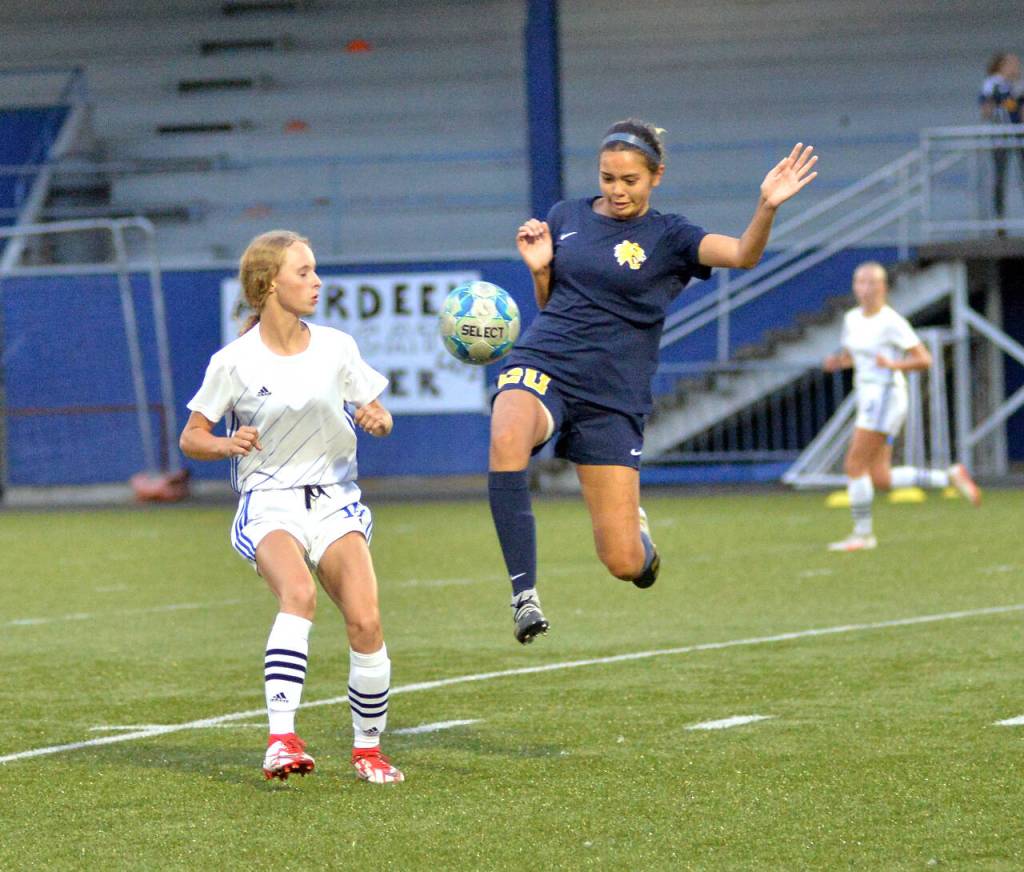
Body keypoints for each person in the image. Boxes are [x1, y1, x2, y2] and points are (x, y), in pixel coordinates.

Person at [489, 118, 818, 644]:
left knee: (624, 562)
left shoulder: (671, 237)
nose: (617, 190)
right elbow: (552, 305)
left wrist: (767, 206)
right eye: (607, 178)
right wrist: (540, 269)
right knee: (507, 433)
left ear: (656, 176)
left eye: (630, 180)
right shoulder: (566, 216)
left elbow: (742, 254)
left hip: (612, 396)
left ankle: (639, 538)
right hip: (546, 360)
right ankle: (524, 596)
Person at [179, 229, 404, 784]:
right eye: (303, 272)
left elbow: (377, 412)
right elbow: (192, 436)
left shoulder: (337, 347)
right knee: (298, 594)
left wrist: (378, 419)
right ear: (269, 283)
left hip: (334, 501)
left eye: (315, 270)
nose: (317, 281)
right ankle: (281, 741)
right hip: (269, 503)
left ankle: (368, 751)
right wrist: (225, 444)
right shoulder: (233, 362)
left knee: (367, 622)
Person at [823, 262, 981, 553]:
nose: (865, 289)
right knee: (880, 477)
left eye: (871, 283)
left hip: (886, 396)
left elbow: (924, 359)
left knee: (854, 465)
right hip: (867, 396)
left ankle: (862, 535)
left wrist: (893, 364)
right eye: (860, 282)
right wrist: (839, 362)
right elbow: (855, 356)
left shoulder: (891, 321)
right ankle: (949, 477)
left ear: (883, 287)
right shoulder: (852, 319)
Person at [979, 52, 1024, 227]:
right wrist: (1005, 100)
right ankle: (999, 221)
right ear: (1002, 66)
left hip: (1018, 136)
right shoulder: (992, 84)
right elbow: (987, 110)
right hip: (1001, 138)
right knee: (1000, 179)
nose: (1017, 68)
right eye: (1013, 64)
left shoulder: (1017, 85)